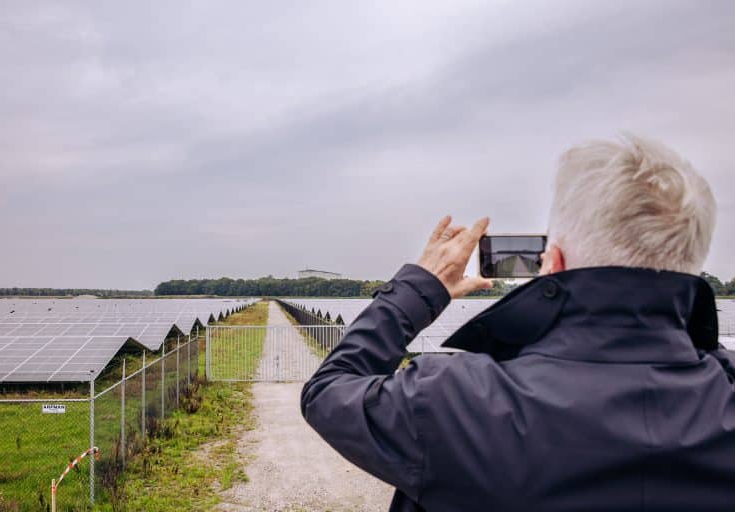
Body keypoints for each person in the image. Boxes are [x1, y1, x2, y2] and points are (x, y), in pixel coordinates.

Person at [300, 135, 732, 511]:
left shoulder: (455, 401)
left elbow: (328, 390)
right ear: (692, 267)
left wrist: (419, 290)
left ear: (554, 261)